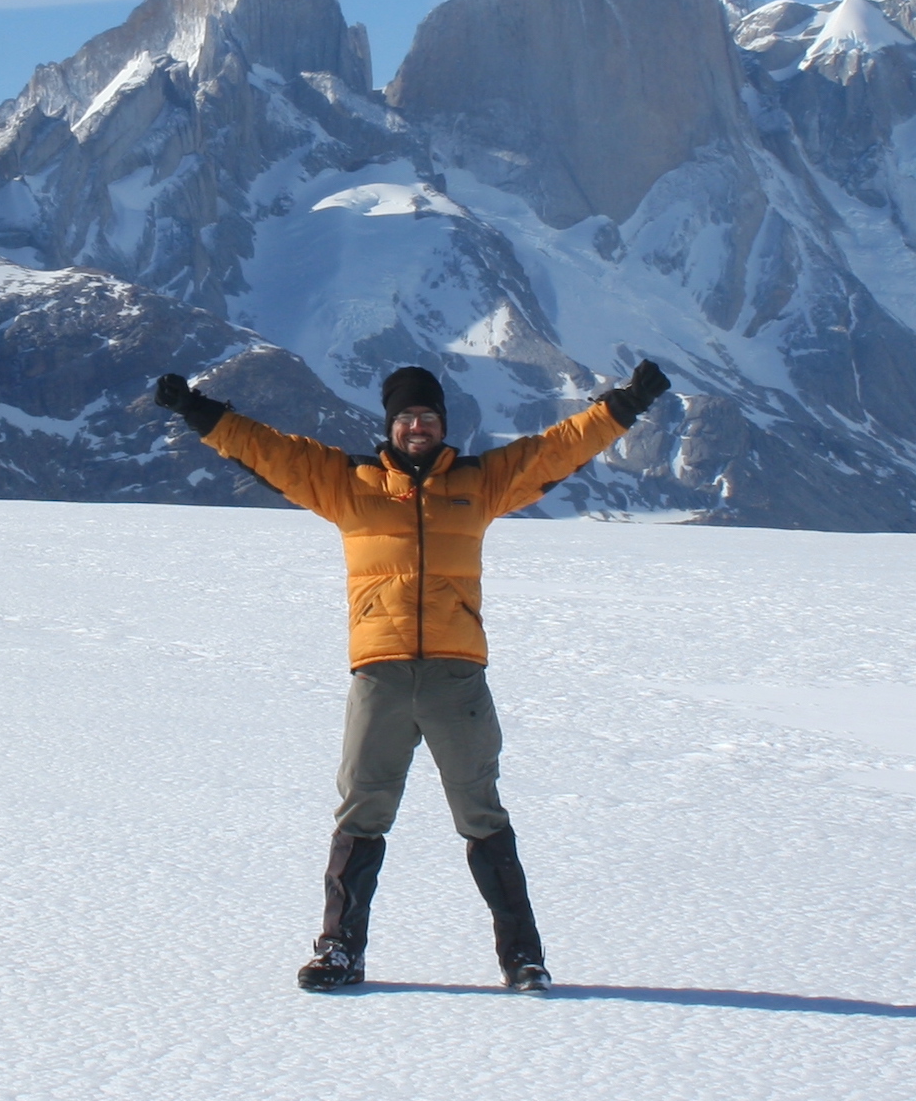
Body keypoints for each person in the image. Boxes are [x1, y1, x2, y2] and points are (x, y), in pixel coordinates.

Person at [151, 358, 669, 992]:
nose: (417, 427)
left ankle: (523, 958)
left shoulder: (481, 483)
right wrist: (200, 411)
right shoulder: (348, 485)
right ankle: (340, 949)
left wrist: (622, 406)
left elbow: (554, 452)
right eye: (406, 418)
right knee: (361, 813)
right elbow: (271, 452)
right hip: (382, 676)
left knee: (482, 814)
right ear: (390, 426)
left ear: (443, 424)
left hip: (457, 680)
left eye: (427, 417)